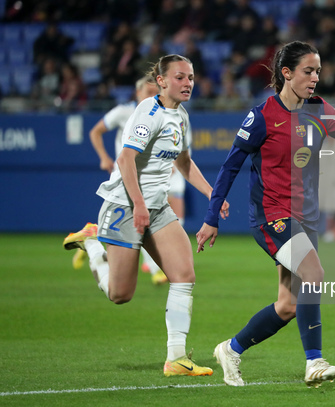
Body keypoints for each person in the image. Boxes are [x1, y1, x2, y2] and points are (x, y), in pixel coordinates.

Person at [195, 41, 335, 387]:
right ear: (286, 73)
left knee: (288, 305)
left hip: (305, 218)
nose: (315, 78)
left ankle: (231, 349)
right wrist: (211, 217)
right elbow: (229, 168)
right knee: (314, 274)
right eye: (308, 71)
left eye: (318, 72)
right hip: (272, 216)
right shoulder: (262, 116)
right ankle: (314, 362)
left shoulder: (319, 109)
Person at [63, 54, 229, 377]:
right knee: (120, 294)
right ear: (162, 81)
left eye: (191, 78)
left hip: (156, 206)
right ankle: (93, 244)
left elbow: (183, 163)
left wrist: (213, 193)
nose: (188, 83)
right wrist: (138, 204)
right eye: (180, 77)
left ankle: (176, 359)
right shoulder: (147, 111)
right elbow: (125, 160)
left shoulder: (181, 117)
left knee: (183, 274)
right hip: (126, 204)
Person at [76, 76, 168, 285]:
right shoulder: (124, 112)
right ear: (137, 93)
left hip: (147, 177)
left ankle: (92, 237)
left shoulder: (160, 114)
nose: (153, 96)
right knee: (141, 222)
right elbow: (96, 131)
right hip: (125, 176)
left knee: (138, 223)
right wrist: (103, 157)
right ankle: (155, 270)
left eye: (157, 93)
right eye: (148, 92)